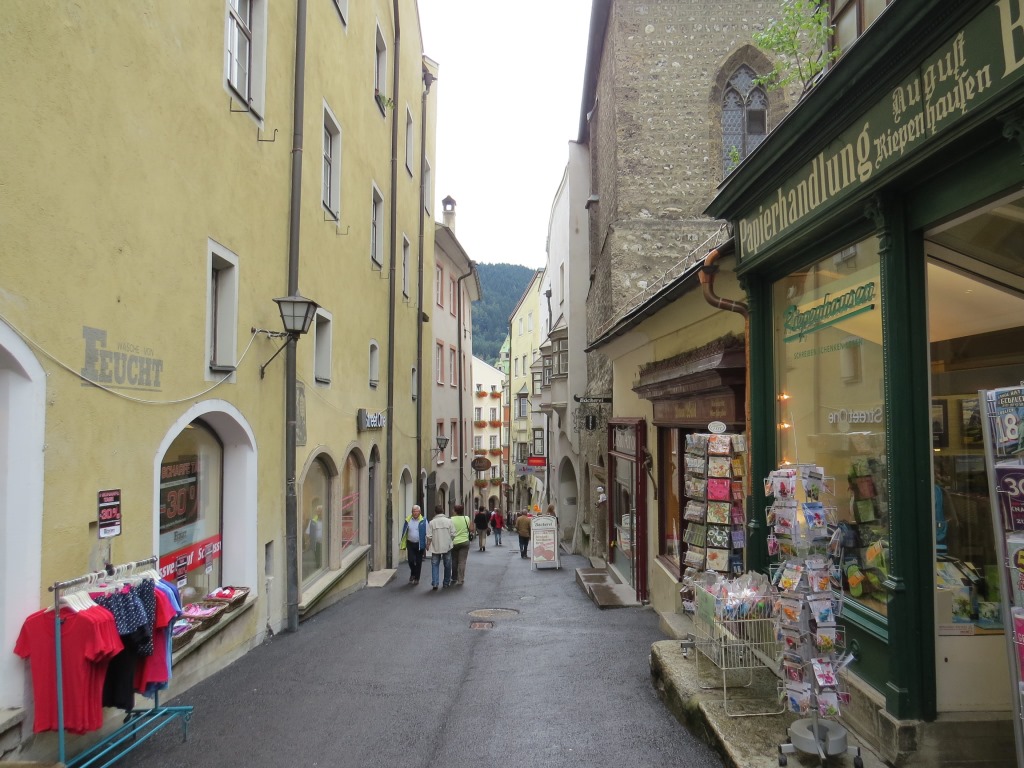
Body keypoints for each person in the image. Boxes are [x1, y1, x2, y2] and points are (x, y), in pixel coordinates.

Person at [426, 505, 454, 591]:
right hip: (447, 546)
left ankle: (435, 583)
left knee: (435, 564)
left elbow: (429, 536)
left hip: (435, 546)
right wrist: (450, 541)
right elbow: (453, 534)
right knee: (448, 565)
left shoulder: (432, 522)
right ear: (443, 511)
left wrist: (428, 545)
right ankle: (446, 582)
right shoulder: (449, 521)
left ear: (435, 512)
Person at [400, 505, 427, 585]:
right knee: (411, 560)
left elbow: (427, 532)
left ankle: (416, 578)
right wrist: (403, 542)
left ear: (420, 512)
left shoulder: (424, 521)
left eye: (417, 511)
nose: (415, 513)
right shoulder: (408, 520)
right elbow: (404, 531)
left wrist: (427, 543)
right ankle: (413, 572)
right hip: (410, 543)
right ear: (412, 512)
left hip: (419, 543)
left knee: (418, 562)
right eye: (414, 511)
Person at [450, 504, 473, 586]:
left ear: (455, 511)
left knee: (454, 560)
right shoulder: (466, 518)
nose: (452, 511)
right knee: (462, 561)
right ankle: (461, 579)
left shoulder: (451, 519)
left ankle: (454, 577)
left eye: (453, 510)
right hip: (464, 541)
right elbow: (471, 529)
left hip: (454, 542)